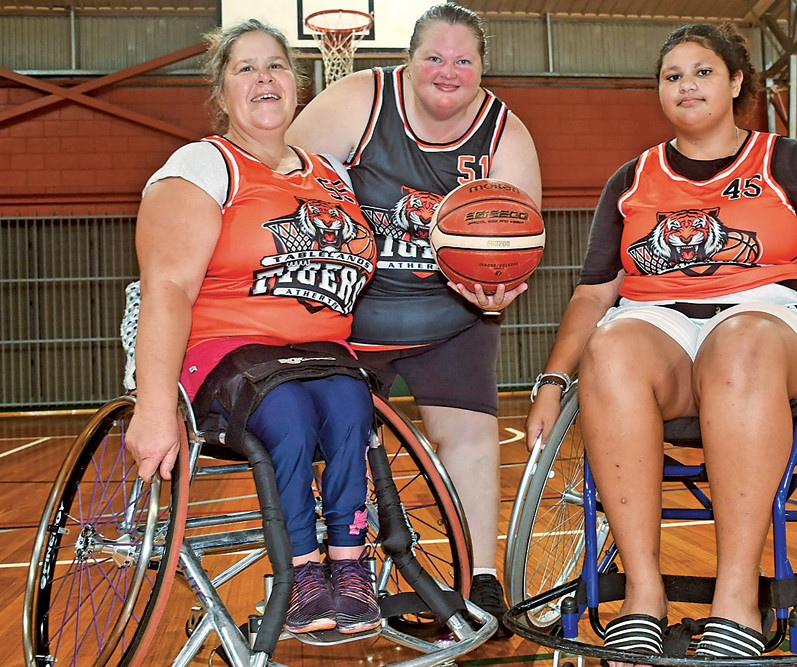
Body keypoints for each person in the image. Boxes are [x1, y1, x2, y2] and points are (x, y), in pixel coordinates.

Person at [524, 23, 797, 662]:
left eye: (702, 72)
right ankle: (643, 596)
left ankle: (736, 601)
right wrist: (554, 383)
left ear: (734, 84)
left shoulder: (789, 163)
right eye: (672, 76)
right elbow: (593, 296)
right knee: (610, 350)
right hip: (661, 323)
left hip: (770, 319)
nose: (686, 85)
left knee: (740, 342)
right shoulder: (633, 179)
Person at [287, 2, 542, 634]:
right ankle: (331, 573)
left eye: (463, 60)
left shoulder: (504, 132)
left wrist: (500, 286)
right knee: (334, 449)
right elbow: (284, 185)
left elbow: (520, 243)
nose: (447, 71)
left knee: (472, 446)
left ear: (483, 67)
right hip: (347, 315)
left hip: (450, 314)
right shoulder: (358, 101)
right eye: (433, 57)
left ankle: (482, 582)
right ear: (408, 60)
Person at [124, 19, 382, 636]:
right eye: (246, 68)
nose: (265, 77)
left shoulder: (330, 176)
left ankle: (350, 567)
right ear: (223, 94)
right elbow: (166, 285)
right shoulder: (204, 164)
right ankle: (300, 575)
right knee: (287, 411)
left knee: (353, 401)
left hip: (321, 355)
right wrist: (154, 405)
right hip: (224, 352)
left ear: (297, 85)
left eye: (276, 66)